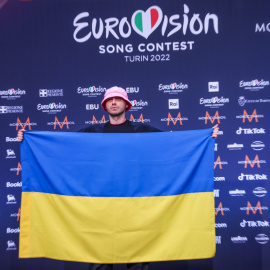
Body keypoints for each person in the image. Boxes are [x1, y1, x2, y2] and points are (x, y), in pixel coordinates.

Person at [18, 86, 219, 270]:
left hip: (137, 211)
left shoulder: (144, 131)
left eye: (118, 99)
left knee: (139, 262)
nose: (114, 102)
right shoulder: (90, 133)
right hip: (100, 212)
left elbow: (173, 147)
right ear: (105, 106)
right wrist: (28, 140)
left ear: (126, 104)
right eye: (110, 100)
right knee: (100, 263)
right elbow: (62, 149)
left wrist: (206, 138)